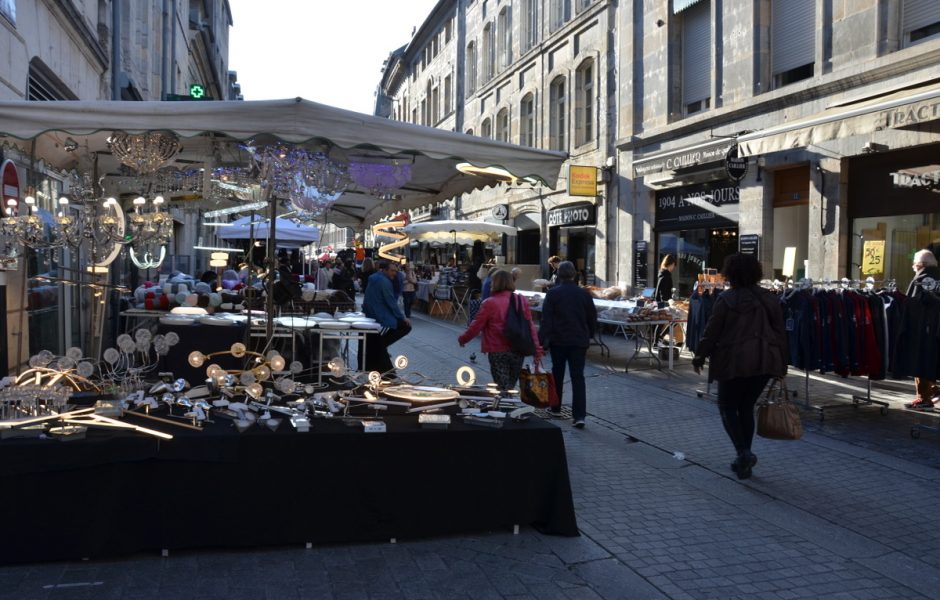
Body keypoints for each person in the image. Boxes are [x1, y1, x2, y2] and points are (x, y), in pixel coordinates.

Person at [691, 253, 788, 480]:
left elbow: (712, 331)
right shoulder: (769, 298)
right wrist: (781, 363)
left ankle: (743, 452)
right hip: (764, 361)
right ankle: (744, 458)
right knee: (746, 406)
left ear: (730, 273)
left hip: (733, 361)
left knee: (726, 405)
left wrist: (700, 356)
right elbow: (781, 333)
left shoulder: (726, 299)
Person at [458, 269, 542, 393]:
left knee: (501, 387)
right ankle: (508, 407)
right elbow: (529, 326)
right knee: (510, 386)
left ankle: (503, 409)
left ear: (495, 283)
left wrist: (463, 339)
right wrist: (537, 349)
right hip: (518, 349)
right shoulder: (521, 300)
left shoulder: (489, 303)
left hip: (497, 351)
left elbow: (476, 325)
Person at [538, 261, 597, 428]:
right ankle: (579, 416)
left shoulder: (553, 294)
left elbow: (546, 321)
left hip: (559, 340)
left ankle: (555, 407)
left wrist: (541, 341)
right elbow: (592, 317)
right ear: (573, 275)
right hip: (579, 341)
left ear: (559, 275)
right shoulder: (584, 294)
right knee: (578, 377)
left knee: (557, 373)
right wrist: (590, 334)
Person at [362, 260, 412, 373]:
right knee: (406, 326)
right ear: (384, 270)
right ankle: (381, 344)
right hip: (380, 315)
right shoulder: (385, 281)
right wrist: (402, 317)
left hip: (371, 313)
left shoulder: (374, 277)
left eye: (395, 271)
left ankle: (380, 344)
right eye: (392, 271)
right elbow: (391, 302)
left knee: (382, 340)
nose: (394, 273)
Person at [905, 249, 940, 410]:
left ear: (921, 264)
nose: (913, 266)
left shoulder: (921, 279)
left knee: (920, 361)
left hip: (923, 329)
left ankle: (924, 398)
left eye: (914, 263)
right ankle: (933, 391)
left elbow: (913, 304)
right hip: (936, 330)